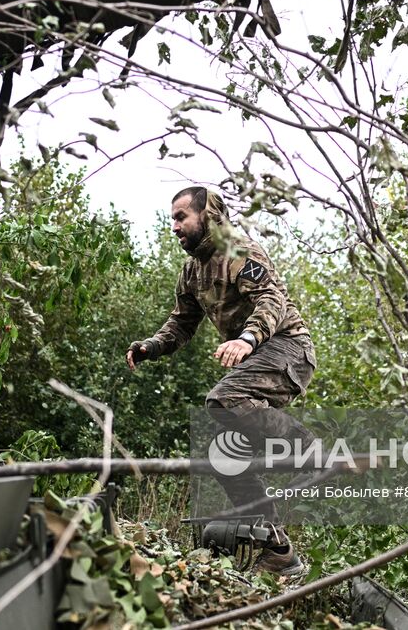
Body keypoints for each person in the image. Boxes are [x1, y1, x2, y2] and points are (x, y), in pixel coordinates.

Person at [126, 185, 316, 577]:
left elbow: (272, 302)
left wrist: (247, 339)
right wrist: (150, 347)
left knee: (224, 398)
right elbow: (181, 323)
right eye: (172, 219)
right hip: (259, 356)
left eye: (181, 217)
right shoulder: (193, 270)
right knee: (223, 456)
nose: (174, 226)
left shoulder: (238, 251)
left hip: (288, 348)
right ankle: (278, 549)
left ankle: (308, 448)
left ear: (207, 216)